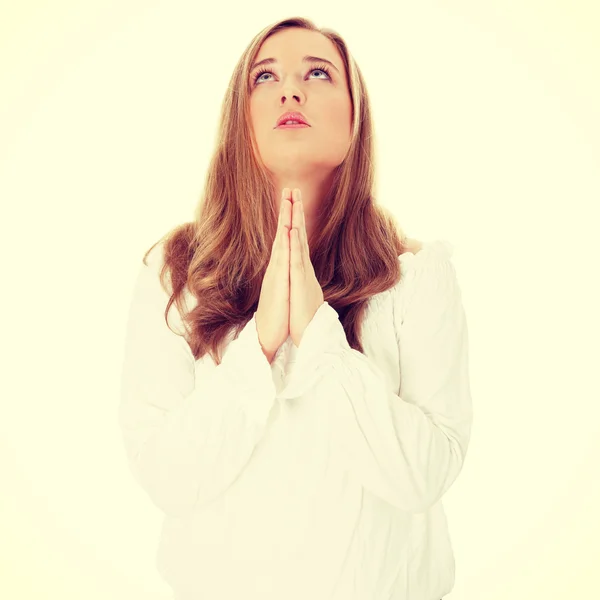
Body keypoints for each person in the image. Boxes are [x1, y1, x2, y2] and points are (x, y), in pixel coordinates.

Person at [118, 15, 472, 600]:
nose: (291, 89)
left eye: (318, 72)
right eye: (265, 76)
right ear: (241, 117)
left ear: (355, 118)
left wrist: (318, 337)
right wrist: (259, 344)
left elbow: (425, 475)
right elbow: (167, 477)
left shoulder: (417, 275)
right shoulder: (174, 270)